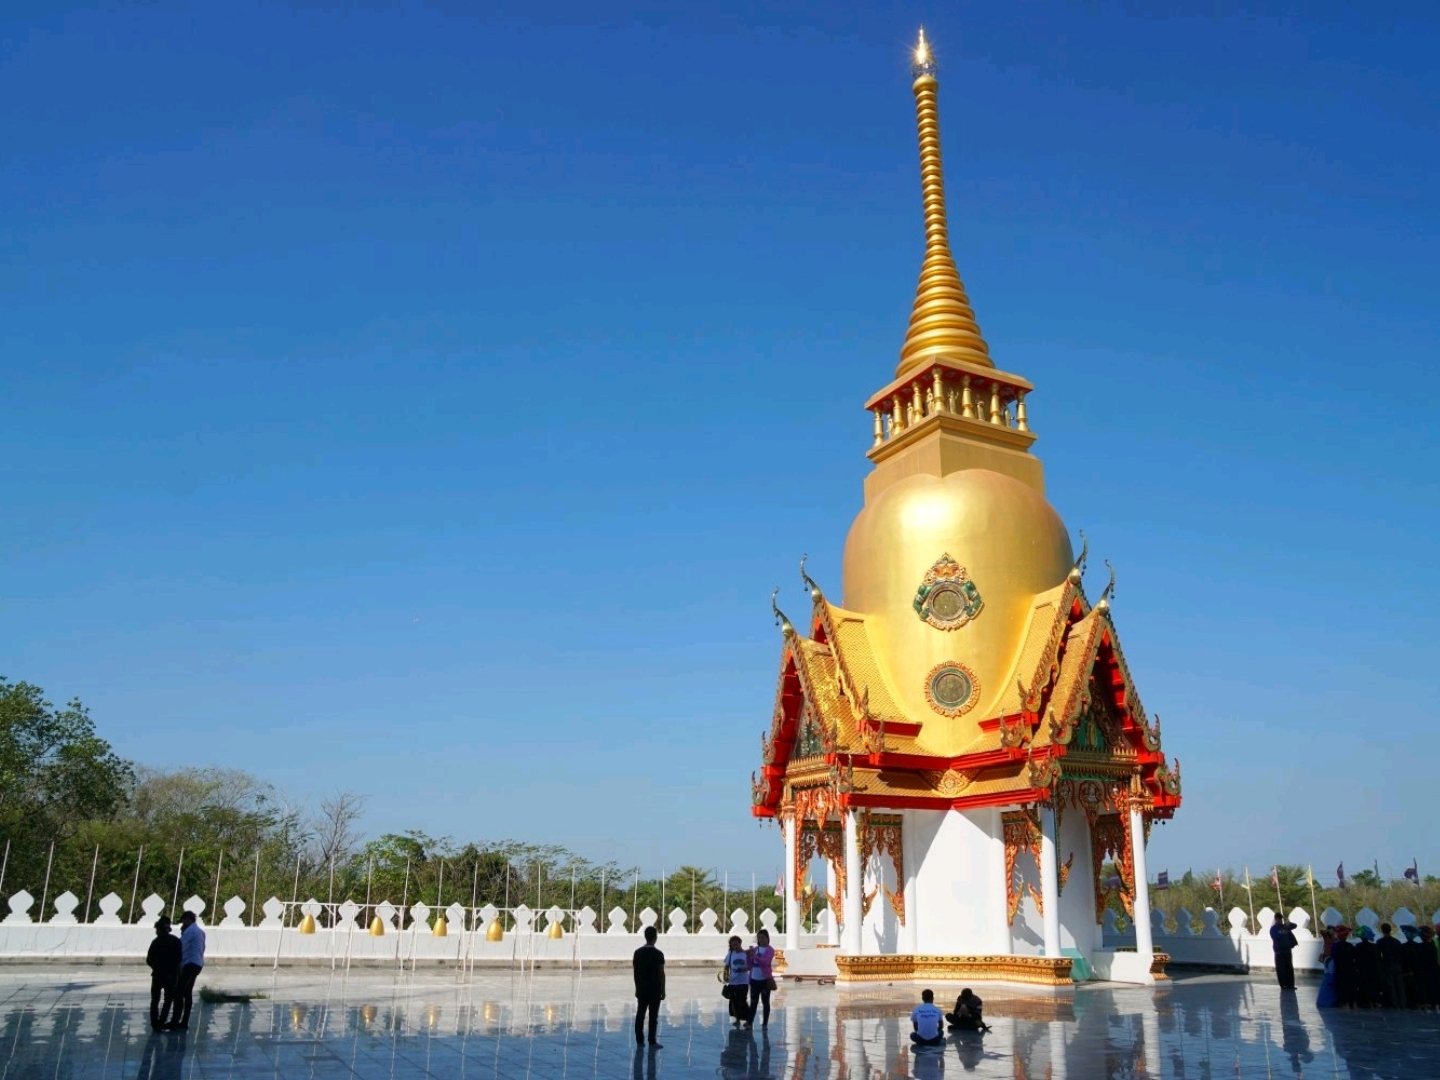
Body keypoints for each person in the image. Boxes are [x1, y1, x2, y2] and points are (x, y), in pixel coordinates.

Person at [170, 910, 206, 1031]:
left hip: (190, 964)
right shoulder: (200, 932)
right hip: (197, 964)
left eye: (184, 921)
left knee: (179, 992)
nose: (183, 924)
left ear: (188, 919)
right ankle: (184, 1021)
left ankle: (175, 1021)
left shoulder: (190, 931)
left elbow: (180, 947)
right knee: (187, 992)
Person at [632, 925, 666, 1049]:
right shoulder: (658, 954)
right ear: (655, 938)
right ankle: (652, 1040)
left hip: (642, 988)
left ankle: (639, 1040)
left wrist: (637, 988)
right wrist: (663, 990)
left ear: (645, 937)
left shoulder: (637, 952)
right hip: (655, 989)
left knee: (640, 1014)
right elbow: (661, 973)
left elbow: (635, 972)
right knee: (653, 1016)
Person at [145, 916, 181, 1031]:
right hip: (171, 975)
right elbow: (179, 959)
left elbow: (149, 959)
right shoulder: (176, 941)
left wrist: (156, 967)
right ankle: (162, 1021)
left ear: (159, 930)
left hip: (158, 975)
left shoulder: (156, 942)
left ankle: (154, 1023)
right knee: (168, 1000)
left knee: (155, 1000)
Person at [746, 928, 776, 1029]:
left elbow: (766, 962)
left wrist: (755, 957)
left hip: (765, 980)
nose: (761, 940)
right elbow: (750, 963)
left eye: (763, 938)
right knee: (753, 1002)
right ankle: (749, 1022)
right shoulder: (755, 949)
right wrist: (748, 956)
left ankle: (765, 1022)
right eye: (759, 938)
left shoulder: (770, 950)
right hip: (754, 979)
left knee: (765, 1002)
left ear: (767, 938)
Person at [1376, 922, 1407, 1008]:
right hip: (1397, 966)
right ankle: (1403, 1003)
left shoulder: (1380, 942)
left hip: (1387, 966)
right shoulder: (1397, 942)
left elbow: (1379, 956)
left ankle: (1395, 1003)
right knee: (1400, 986)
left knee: (1391, 986)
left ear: (1382, 931)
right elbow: (1401, 955)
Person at [724, 935, 751, 1027]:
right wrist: (725, 976)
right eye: (733, 945)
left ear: (740, 943)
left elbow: (751, 966)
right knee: (733, 1001)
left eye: (736, 944)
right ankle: (737, 1019)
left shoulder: (746, 954)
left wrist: (744, 969)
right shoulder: (731, 954)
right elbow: (726, 966)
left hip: (743, 982)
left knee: (743, 1001)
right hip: (732, 981)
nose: (735, 946)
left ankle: (748, 1020)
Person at [1270, 912, 1298, 991]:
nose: (1280, 921)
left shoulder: (1285, 926)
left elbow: (1294, 926)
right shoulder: (1273, 929)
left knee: (1289, 968)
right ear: (1275, 919)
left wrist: (1287, 923)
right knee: (1281, 969)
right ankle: (1283, 985)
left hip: (1287, 950)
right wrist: (1282, 932)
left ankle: (1290, 984)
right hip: (1279, 952)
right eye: (1278, 919)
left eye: (1281, 919)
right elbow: (1275, 936)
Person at [1316, 927, 1339, 1008]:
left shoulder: (1335, 939)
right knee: (1329, 977)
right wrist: (1329, 932)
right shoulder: (1327, 937)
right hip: (1328, 958)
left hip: (1332, 958)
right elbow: (1322, 931)